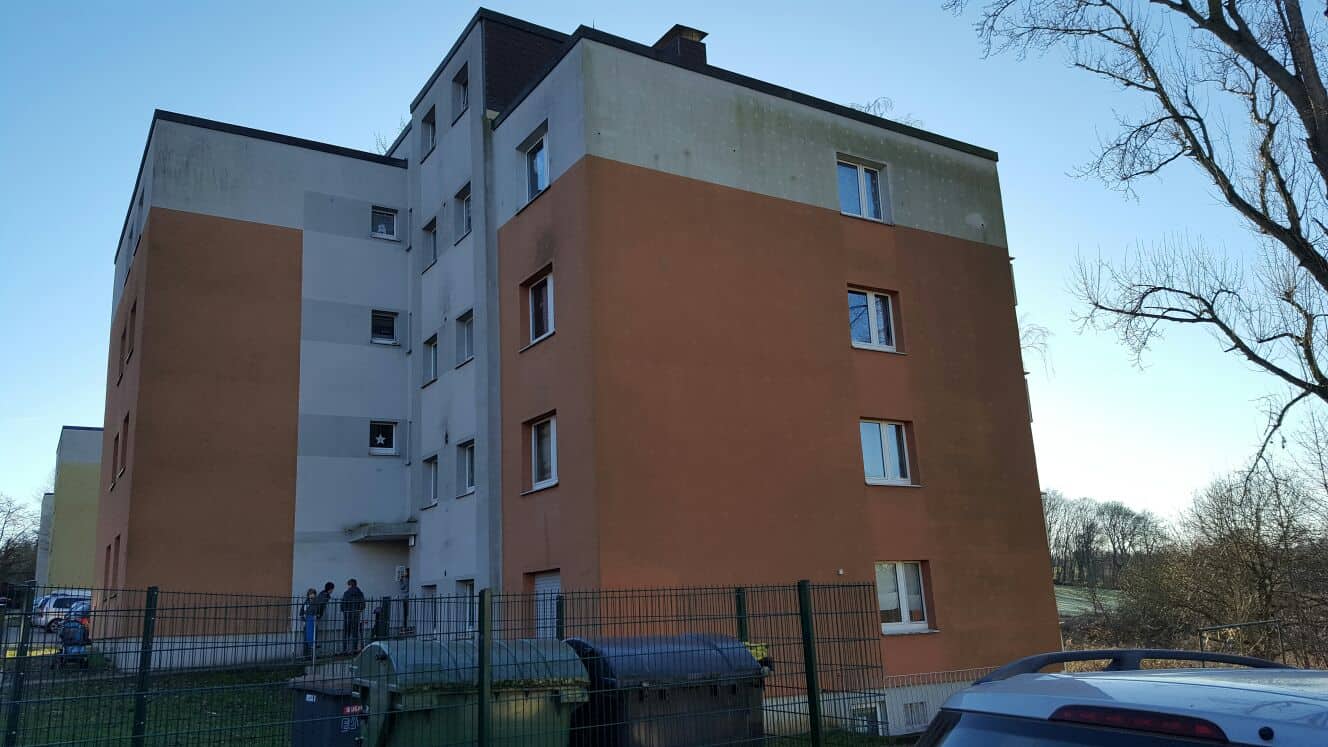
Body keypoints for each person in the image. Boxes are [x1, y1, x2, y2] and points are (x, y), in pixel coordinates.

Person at [341, 578, 366, 654]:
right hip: (356, 615)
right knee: (355, 633)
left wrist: (345, 611)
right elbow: (363, 605)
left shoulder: (346, 593)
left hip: (347, 615)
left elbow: (342, 605)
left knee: (346, 633)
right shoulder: (360, 593)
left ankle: (345, 650)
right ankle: (354, 650)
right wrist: (359, 610)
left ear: (350, 585)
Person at [314, 582, 334, 652]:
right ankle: (314, 646)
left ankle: (315, 645)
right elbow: (320, 605)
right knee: (315, 630)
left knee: (316, 629)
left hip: (317, 614)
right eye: (332, 589)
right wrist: (318, 614)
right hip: (317, 614)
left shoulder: (322, 594)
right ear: (330, 589)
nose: (332, 591)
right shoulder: (324, 596)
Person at [299, 588, 318, 659]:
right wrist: (304, 621)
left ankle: (313, 655)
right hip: (306, 623)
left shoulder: (317, 603)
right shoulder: (305, 603)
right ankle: (305, 655)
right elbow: (301, 613)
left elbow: (318, 613)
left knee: (314, 640)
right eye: (310, 594)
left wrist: (317, 619)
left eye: (313, 594)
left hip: (314, 623)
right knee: (306, 640)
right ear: (308, 595)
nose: (312, 595)